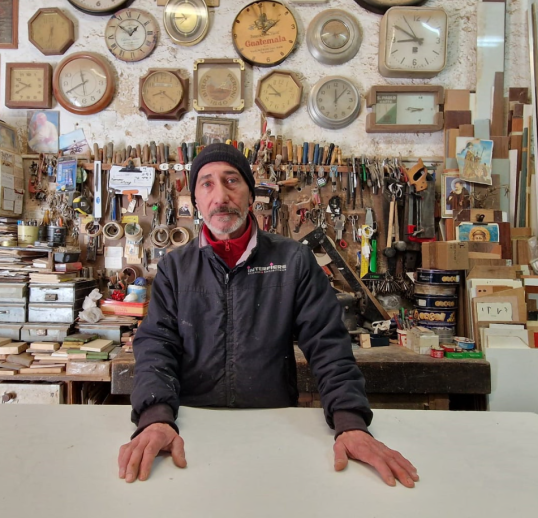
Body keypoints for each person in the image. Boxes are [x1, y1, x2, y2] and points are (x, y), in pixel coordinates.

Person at [118, 144, 418, 487]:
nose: (220, 195)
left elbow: (328, 345)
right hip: (189, 429)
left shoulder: (293, 261)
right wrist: (156, 418)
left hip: (275, 426)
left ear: (250, 194)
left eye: (232, 181)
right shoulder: (175, 268)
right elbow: (157, 345)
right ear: (196, 201)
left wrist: (350, 424)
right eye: (207, 184)